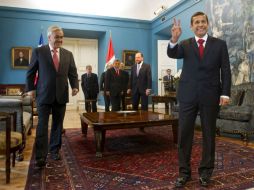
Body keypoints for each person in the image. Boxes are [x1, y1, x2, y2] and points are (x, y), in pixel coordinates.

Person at [167, 12, 231, 187]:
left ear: (207, 24)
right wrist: (174, 38)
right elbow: (172, 54)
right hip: (188, 96)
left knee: (208, 135)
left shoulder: (219, 45)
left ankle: (205, 172)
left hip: (210, 96)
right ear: (191, 26)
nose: (200, 24)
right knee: (184, 134)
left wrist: (225, 93)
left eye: (203, 22)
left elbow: (225, 70)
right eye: (196, 22)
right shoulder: (185, 44)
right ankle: (184, 172)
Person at [25, 25, 79, 168]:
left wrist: (75, 86)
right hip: (43, 95)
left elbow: (72, 73)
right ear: (49, 37)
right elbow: (30, 72)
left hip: (61, 95)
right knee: (42, 125)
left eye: (62, 37)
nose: (60, 40)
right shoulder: (39, 51)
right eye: (57, 37)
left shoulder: (68, 54)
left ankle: (55, 150)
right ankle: (41, 156)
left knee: (57, 125)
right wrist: (30, 89)